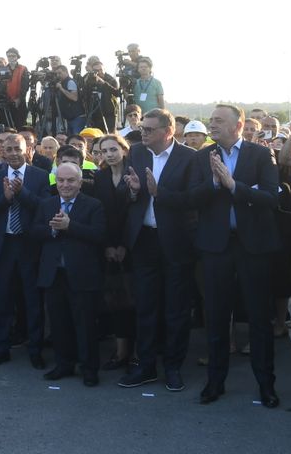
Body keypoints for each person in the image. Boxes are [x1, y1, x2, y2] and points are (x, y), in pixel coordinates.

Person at [188, 104, 282, 407]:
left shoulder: (259, 154)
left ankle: (266, 384)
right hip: (216, 247)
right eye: (211, 120)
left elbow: (271, 197)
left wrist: (234, 185)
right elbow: (193, 198)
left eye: (218, 120)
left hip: (253, 246)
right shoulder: (203, 156)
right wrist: (214, 184)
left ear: (237, 125)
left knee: (258, 319)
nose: (211, 124)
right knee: (215, 317)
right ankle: (215, 382)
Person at [117, 108, 197, 392]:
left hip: (176, 242)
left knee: (176, 308)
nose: (143, 134)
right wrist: (135, 190)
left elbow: (195, 200)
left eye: (149, 130)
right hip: (145, 240)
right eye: (142, 129)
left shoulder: (190, 158)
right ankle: (146, 364)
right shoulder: (137, 153)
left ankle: (173, 366)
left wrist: (160, 194)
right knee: (146, 306)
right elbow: (127, 198)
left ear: (168, 131)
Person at [33, 162, 107, 386]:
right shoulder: (47, 204)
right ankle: (63, 364)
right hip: (54, 274)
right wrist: (53, 229)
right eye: (61, 180)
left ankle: (89, 369)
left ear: (80, 183)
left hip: (82, 275)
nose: (65, 185)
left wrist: (70, 226)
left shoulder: (93, 205)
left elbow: (99, 235)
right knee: (58, 323)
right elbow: (34, 231)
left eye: (71, 180)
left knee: (84, 324)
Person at [0, 133, 50, 369]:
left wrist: (23, 194)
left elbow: (45, 207)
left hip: (29, 245)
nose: (12, 153)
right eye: (8, 149)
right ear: (2, 152)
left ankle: (35, 350)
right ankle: (1, 348)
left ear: (28, 149)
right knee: (2, 300)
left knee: (32, 301)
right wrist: (6, 198)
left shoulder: (40, 177)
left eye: (17, 149)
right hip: (4, 245)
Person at [92, 134, 135, 372]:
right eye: (103, 150)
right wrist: (108, 245)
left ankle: (138, 352)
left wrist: (125, 246)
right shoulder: (100, 177)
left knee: (138, 301)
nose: (108, 154)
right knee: (117, 301)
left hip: (134, 246)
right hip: (108, 248)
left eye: (112, 149)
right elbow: (101, 214)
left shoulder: (135, 173)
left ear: (124, 150)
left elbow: (136, 213)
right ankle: (120, 353)